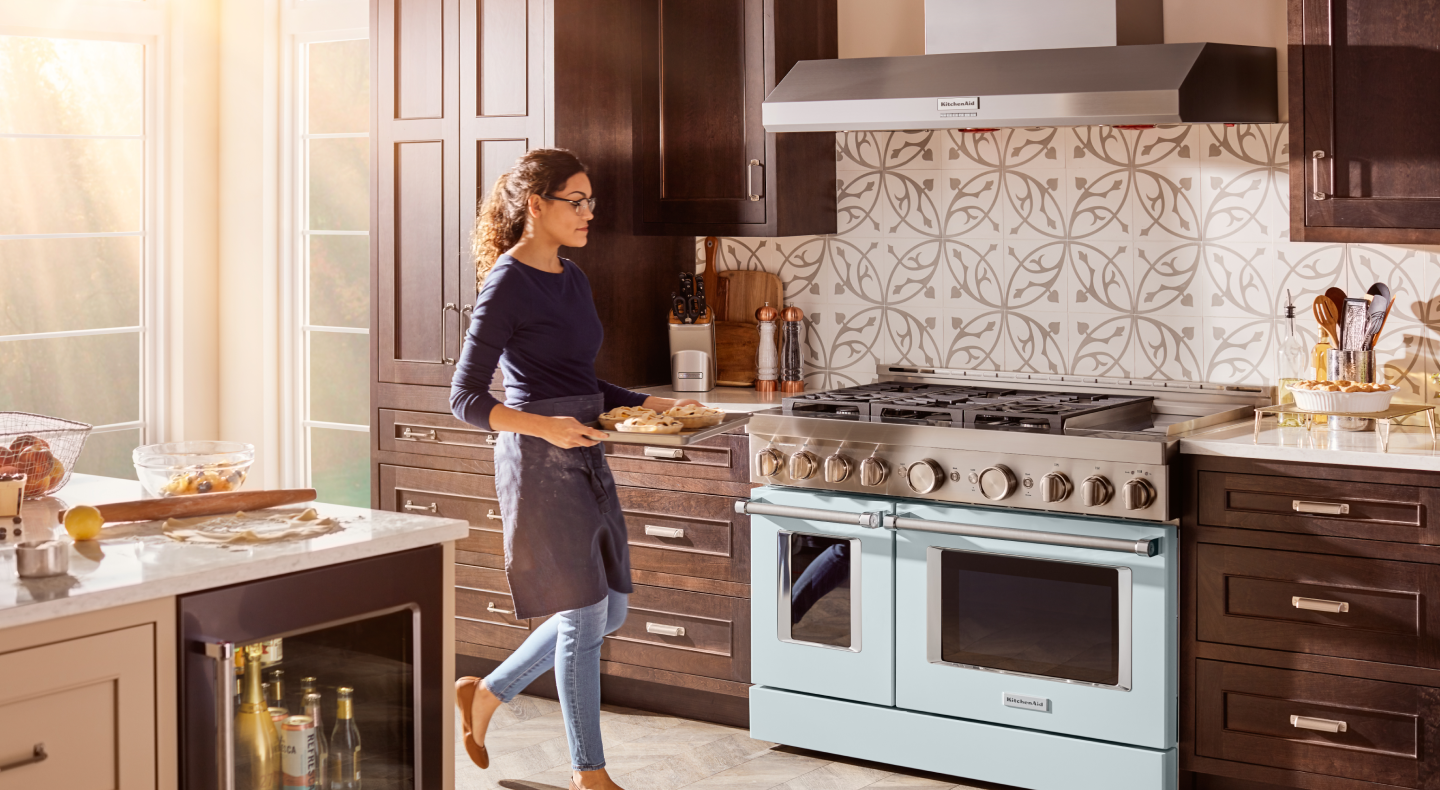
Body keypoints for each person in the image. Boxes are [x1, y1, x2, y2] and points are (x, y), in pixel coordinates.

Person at [449, 148, 700, 790]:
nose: (590, 213)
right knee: (584, 618)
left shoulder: (571, 275)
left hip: (583, 450)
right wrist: (545, 427)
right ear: (537, 205)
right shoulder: (505, 283)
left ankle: (487, 695)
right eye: (577, 201)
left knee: (607, 610)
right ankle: (590, 775)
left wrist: (646, 402)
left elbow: (580, 379)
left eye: (592, 202)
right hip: (539, 463)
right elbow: (467, 399)